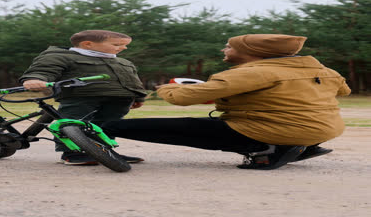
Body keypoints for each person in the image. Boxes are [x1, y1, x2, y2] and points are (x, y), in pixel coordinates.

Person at [102, 34, 351, 170]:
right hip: (324, 128)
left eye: (228, 47)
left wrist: (167, 87)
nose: (224, 51)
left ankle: (267, 149)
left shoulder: (252, 72)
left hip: (267, 129)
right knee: (201, 127)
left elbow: (181, 97)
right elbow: (344, 91)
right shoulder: (325, 70)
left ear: (251, 52)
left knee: (160, 127)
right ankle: (300, 146)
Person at [19, 30, 147, 165]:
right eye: (117, 44)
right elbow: (44, 69)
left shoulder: (122, 61)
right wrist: (34, 79)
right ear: (87, 44)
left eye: (125, 45)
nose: (123, 48)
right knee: (73, 123)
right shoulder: (61, 56)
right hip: (81, 96)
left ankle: (105, 151)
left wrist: (139, 97)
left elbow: (133, 81)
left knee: (108, 124)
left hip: (120, 98)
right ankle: (71, 153)